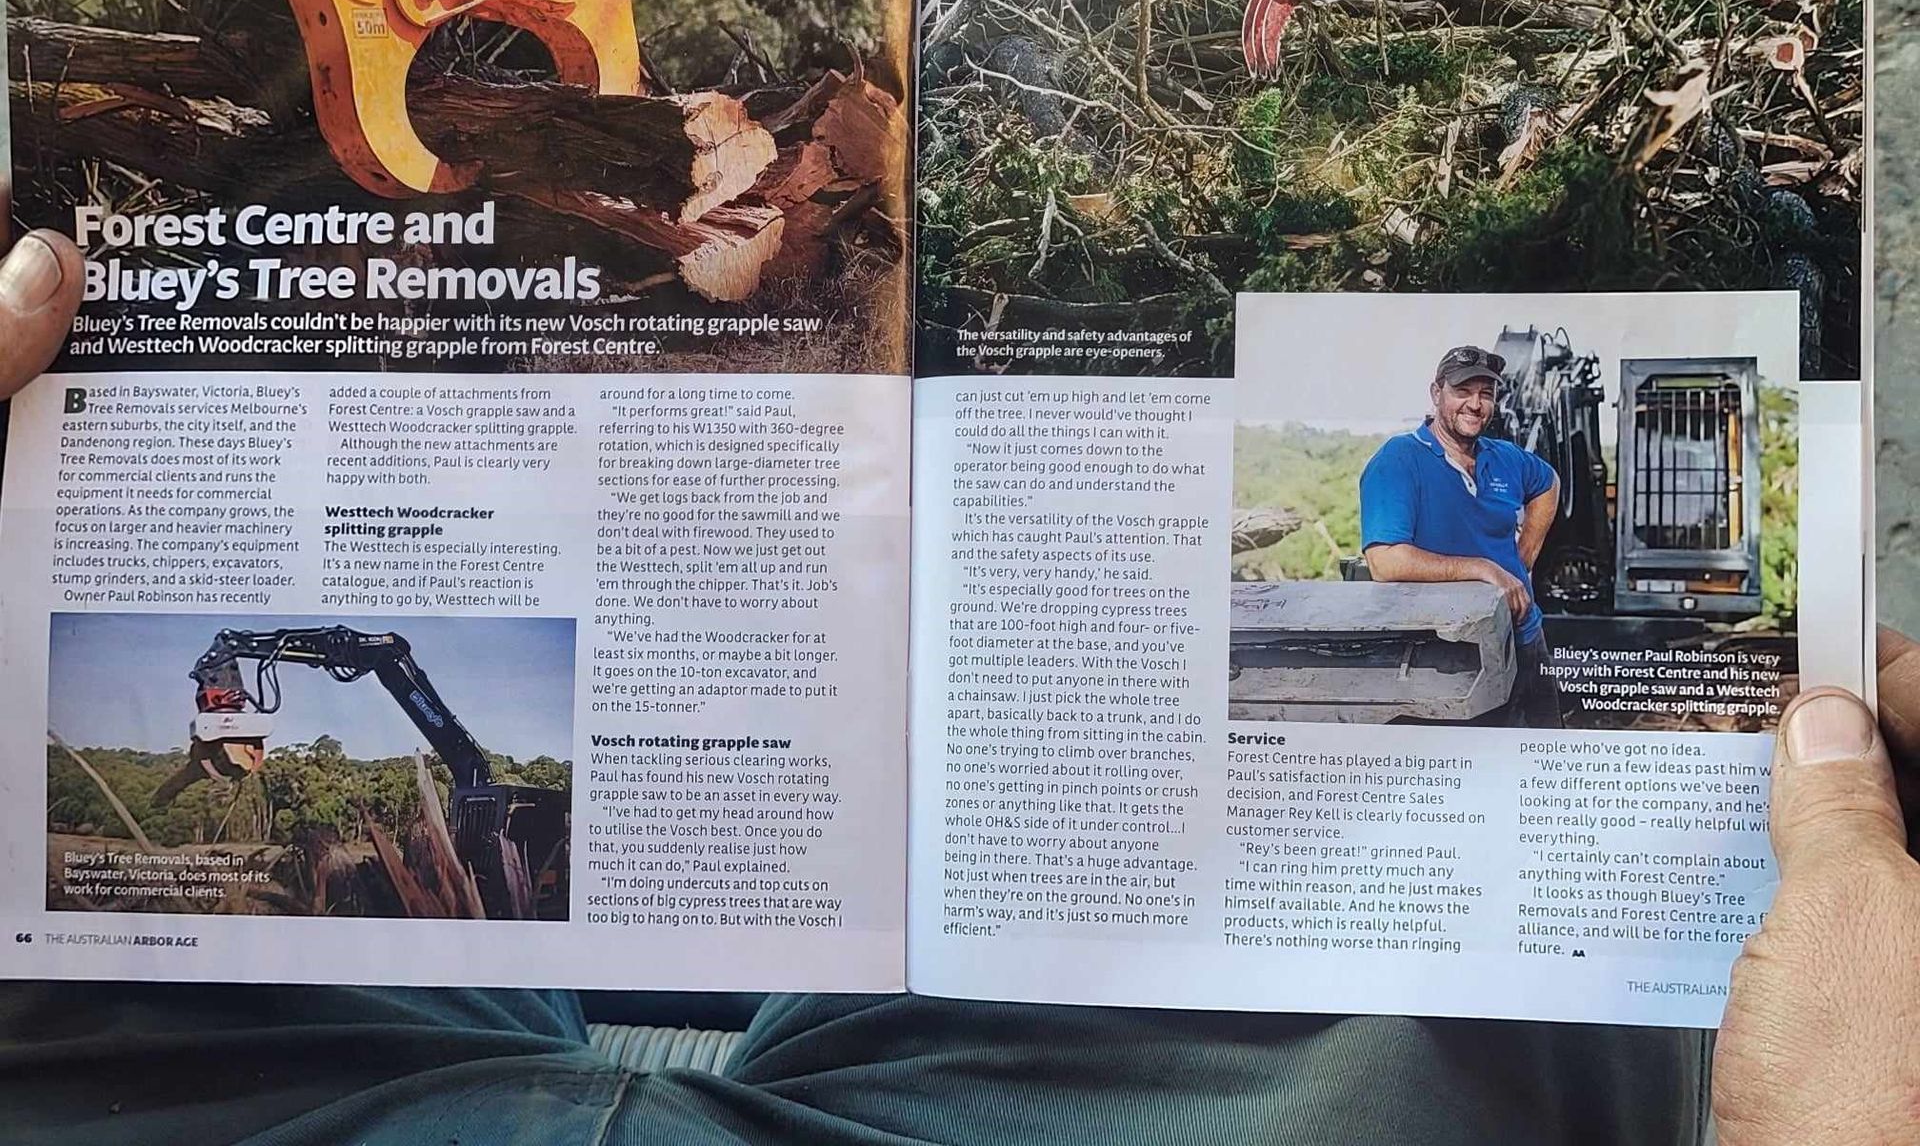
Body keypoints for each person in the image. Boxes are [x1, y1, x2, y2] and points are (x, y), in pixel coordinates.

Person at [0, 229, 1912, 1143]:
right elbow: (1410, 553)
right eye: (1474, 392)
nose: (1486, 411)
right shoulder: (1432, 466)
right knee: (1614, 978)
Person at [1359, 343, 1563, 726]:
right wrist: (1485, 568)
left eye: (1486, 394)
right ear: (1437, 393)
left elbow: (1548, 483)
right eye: (1463, 392)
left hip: (1525, 640)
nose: (1476, 404)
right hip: (1451, 657)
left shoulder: (1505, 457)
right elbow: (1384, 561)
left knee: (1541, 765)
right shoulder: (1400, 460)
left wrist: (1524, 557)